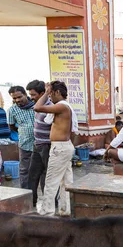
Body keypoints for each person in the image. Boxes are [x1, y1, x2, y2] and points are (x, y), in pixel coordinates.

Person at [33, 81, 78, 217]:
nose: (50, 97)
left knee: (51, 182)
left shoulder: (62, 106)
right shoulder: (65, 107)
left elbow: (37, 107)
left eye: (51, 93)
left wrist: (45, 92)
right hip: (64, 146)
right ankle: (66, 210)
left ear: (57, 92)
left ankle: (47, 212)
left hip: (60, 147)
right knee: (66, 181)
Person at [26, 80, 52, 208]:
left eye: (33, 95)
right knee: (32, 174)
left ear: (43, 93)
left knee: (47, 176)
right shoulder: (37, 105)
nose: (31, 97)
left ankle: (49, 203)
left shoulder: (50, 107)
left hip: (47, 146)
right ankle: (32, 202)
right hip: (37, 145)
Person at [8, 86, 36, 189]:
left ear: (25, 94)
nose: (17, 100)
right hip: (24, 144)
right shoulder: (12, 110)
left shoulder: (37, 105)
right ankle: (26, 195)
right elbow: (11, 126)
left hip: (40, 143)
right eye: (14, 98)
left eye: (19, 97)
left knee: (43, 171)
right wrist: (23, 131)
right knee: (24, 171)